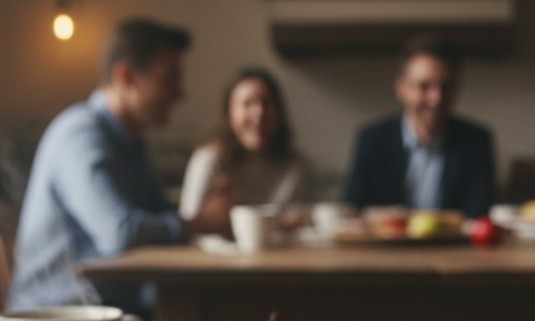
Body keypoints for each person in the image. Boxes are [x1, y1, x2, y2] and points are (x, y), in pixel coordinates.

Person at [9, 18, 230, 312]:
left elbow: (157, 214)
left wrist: (200, 212)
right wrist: (200, 222)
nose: (180, 93)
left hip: (106, 314)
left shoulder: (131, 143)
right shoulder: (79, 134)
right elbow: (117, 232)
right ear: (126, 76)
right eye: (168, 80)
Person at [343, 35, 496, 218]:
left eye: (446, 87)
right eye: (425, 86)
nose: (436, 99)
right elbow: (353, 211)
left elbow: (479, 215)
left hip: (453, 246)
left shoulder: (475, 141)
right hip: (386, 246)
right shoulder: (373, 140)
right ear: (401, 89)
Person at [179, 67, 308, 221]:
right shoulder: (208, 161)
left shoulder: (295, 167)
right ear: (229, 113)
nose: (259, 113)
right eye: (248, 103)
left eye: (267, 103)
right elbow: (190, 227)